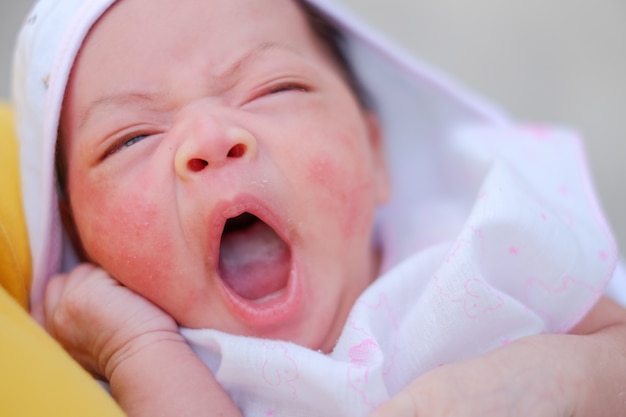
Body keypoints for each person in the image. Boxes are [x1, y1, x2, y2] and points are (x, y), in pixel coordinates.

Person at [12, 0, 626, 416]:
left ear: (377, 155)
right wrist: (137, 349)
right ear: (76, 237)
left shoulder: (476, 256)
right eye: (132, 139)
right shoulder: (158, 370)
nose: (210, 138)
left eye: (274, 88)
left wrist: (560, 377)